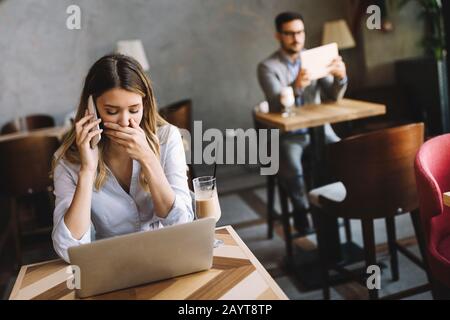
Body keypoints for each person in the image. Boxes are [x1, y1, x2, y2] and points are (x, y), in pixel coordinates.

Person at [51, 54, 194, 262]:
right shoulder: (68, 161)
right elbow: (67, 249)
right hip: (113, 265)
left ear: (145, 104)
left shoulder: (167, 138)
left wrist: (148, 159)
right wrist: (87, 171)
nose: (125, 122)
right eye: (111, 111)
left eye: (134, 110)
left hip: (167, 257)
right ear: (92, 107)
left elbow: (183, 226)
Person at [257, 12, 348, 235]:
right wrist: (296, 86)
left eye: (300, 32)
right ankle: (301, 209)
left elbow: (332, 96)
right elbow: (276, 105)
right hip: (289, 134)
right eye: (289, 33)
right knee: (293, 169)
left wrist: (340, 77)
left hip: (320, 128)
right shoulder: (267, 66)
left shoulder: (314, 57)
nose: (296, 38)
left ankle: (338, 205)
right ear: (278, 35)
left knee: (346, 153)